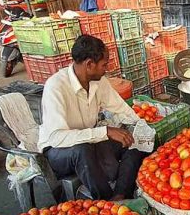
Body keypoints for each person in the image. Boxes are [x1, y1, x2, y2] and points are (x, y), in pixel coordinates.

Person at [38, 35, 146, 201]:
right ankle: (105, 203)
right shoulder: (56, 87)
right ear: (89, 64)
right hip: (59, 151)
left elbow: (119, 107)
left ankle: (119, 196)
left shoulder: (98, 81)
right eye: (104, 65)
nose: (106, 69)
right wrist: (105, 132)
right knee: (82, 150)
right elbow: (56, 137)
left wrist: (142, 125)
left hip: (89, 139)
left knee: (132, 144)